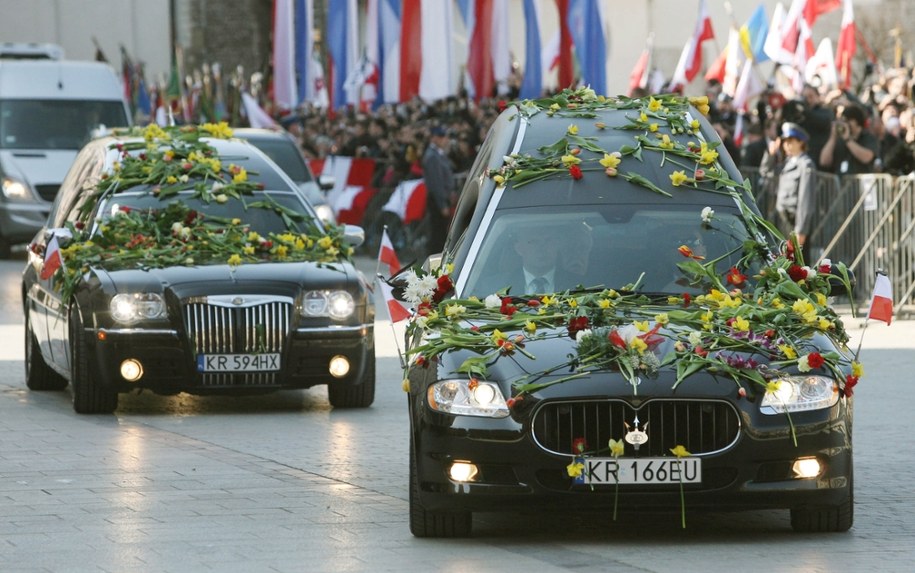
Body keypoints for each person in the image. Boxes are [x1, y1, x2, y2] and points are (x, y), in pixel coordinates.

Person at [760, 122, 817, 261]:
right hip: (782, 222)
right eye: (785, 141)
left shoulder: (805, 164)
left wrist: (801, 231)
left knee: (798, 270)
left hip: (794, 224)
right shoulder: (787, 163)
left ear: (800, 142)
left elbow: (805, 200)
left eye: (790, 141)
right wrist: (770, 155)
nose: (786, 145)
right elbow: (766, 173)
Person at [422, 126, 456, 253]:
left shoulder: (438, 154)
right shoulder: (432, 156)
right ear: (434, 138)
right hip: (437, 199)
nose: (445, 140)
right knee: (438, 232)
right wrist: (442, 204)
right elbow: (437, 182)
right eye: (441, 137)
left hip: (442, 198)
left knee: (441, 231)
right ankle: (434, 258)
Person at [819, 104, 878, 175]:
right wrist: (832, 138)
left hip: (860, 183)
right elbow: (824, 162)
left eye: (848, 120)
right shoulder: (840, 140)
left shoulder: (869, 138)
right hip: (841, 182)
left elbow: (867, 158)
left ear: (857, 121)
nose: (845, 124)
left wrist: (848, 140)